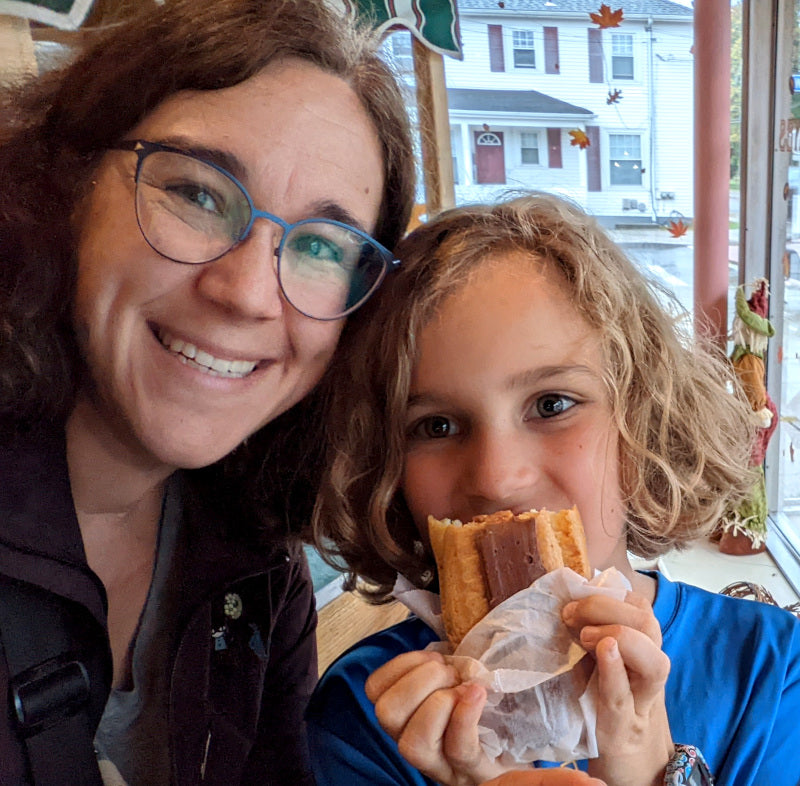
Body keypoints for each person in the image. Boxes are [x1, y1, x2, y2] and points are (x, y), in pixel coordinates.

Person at [0, 0, 414, 783]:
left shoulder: (257, 567)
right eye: (197, 194)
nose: (250, 293)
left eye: (322, 246)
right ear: (66, 184)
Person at [306, 194, 800, 786]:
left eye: (552, 404)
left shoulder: (773, 675)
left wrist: (655, 772)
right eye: (435, 426)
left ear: (643, 424)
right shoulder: (366, 716)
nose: (495, 478)